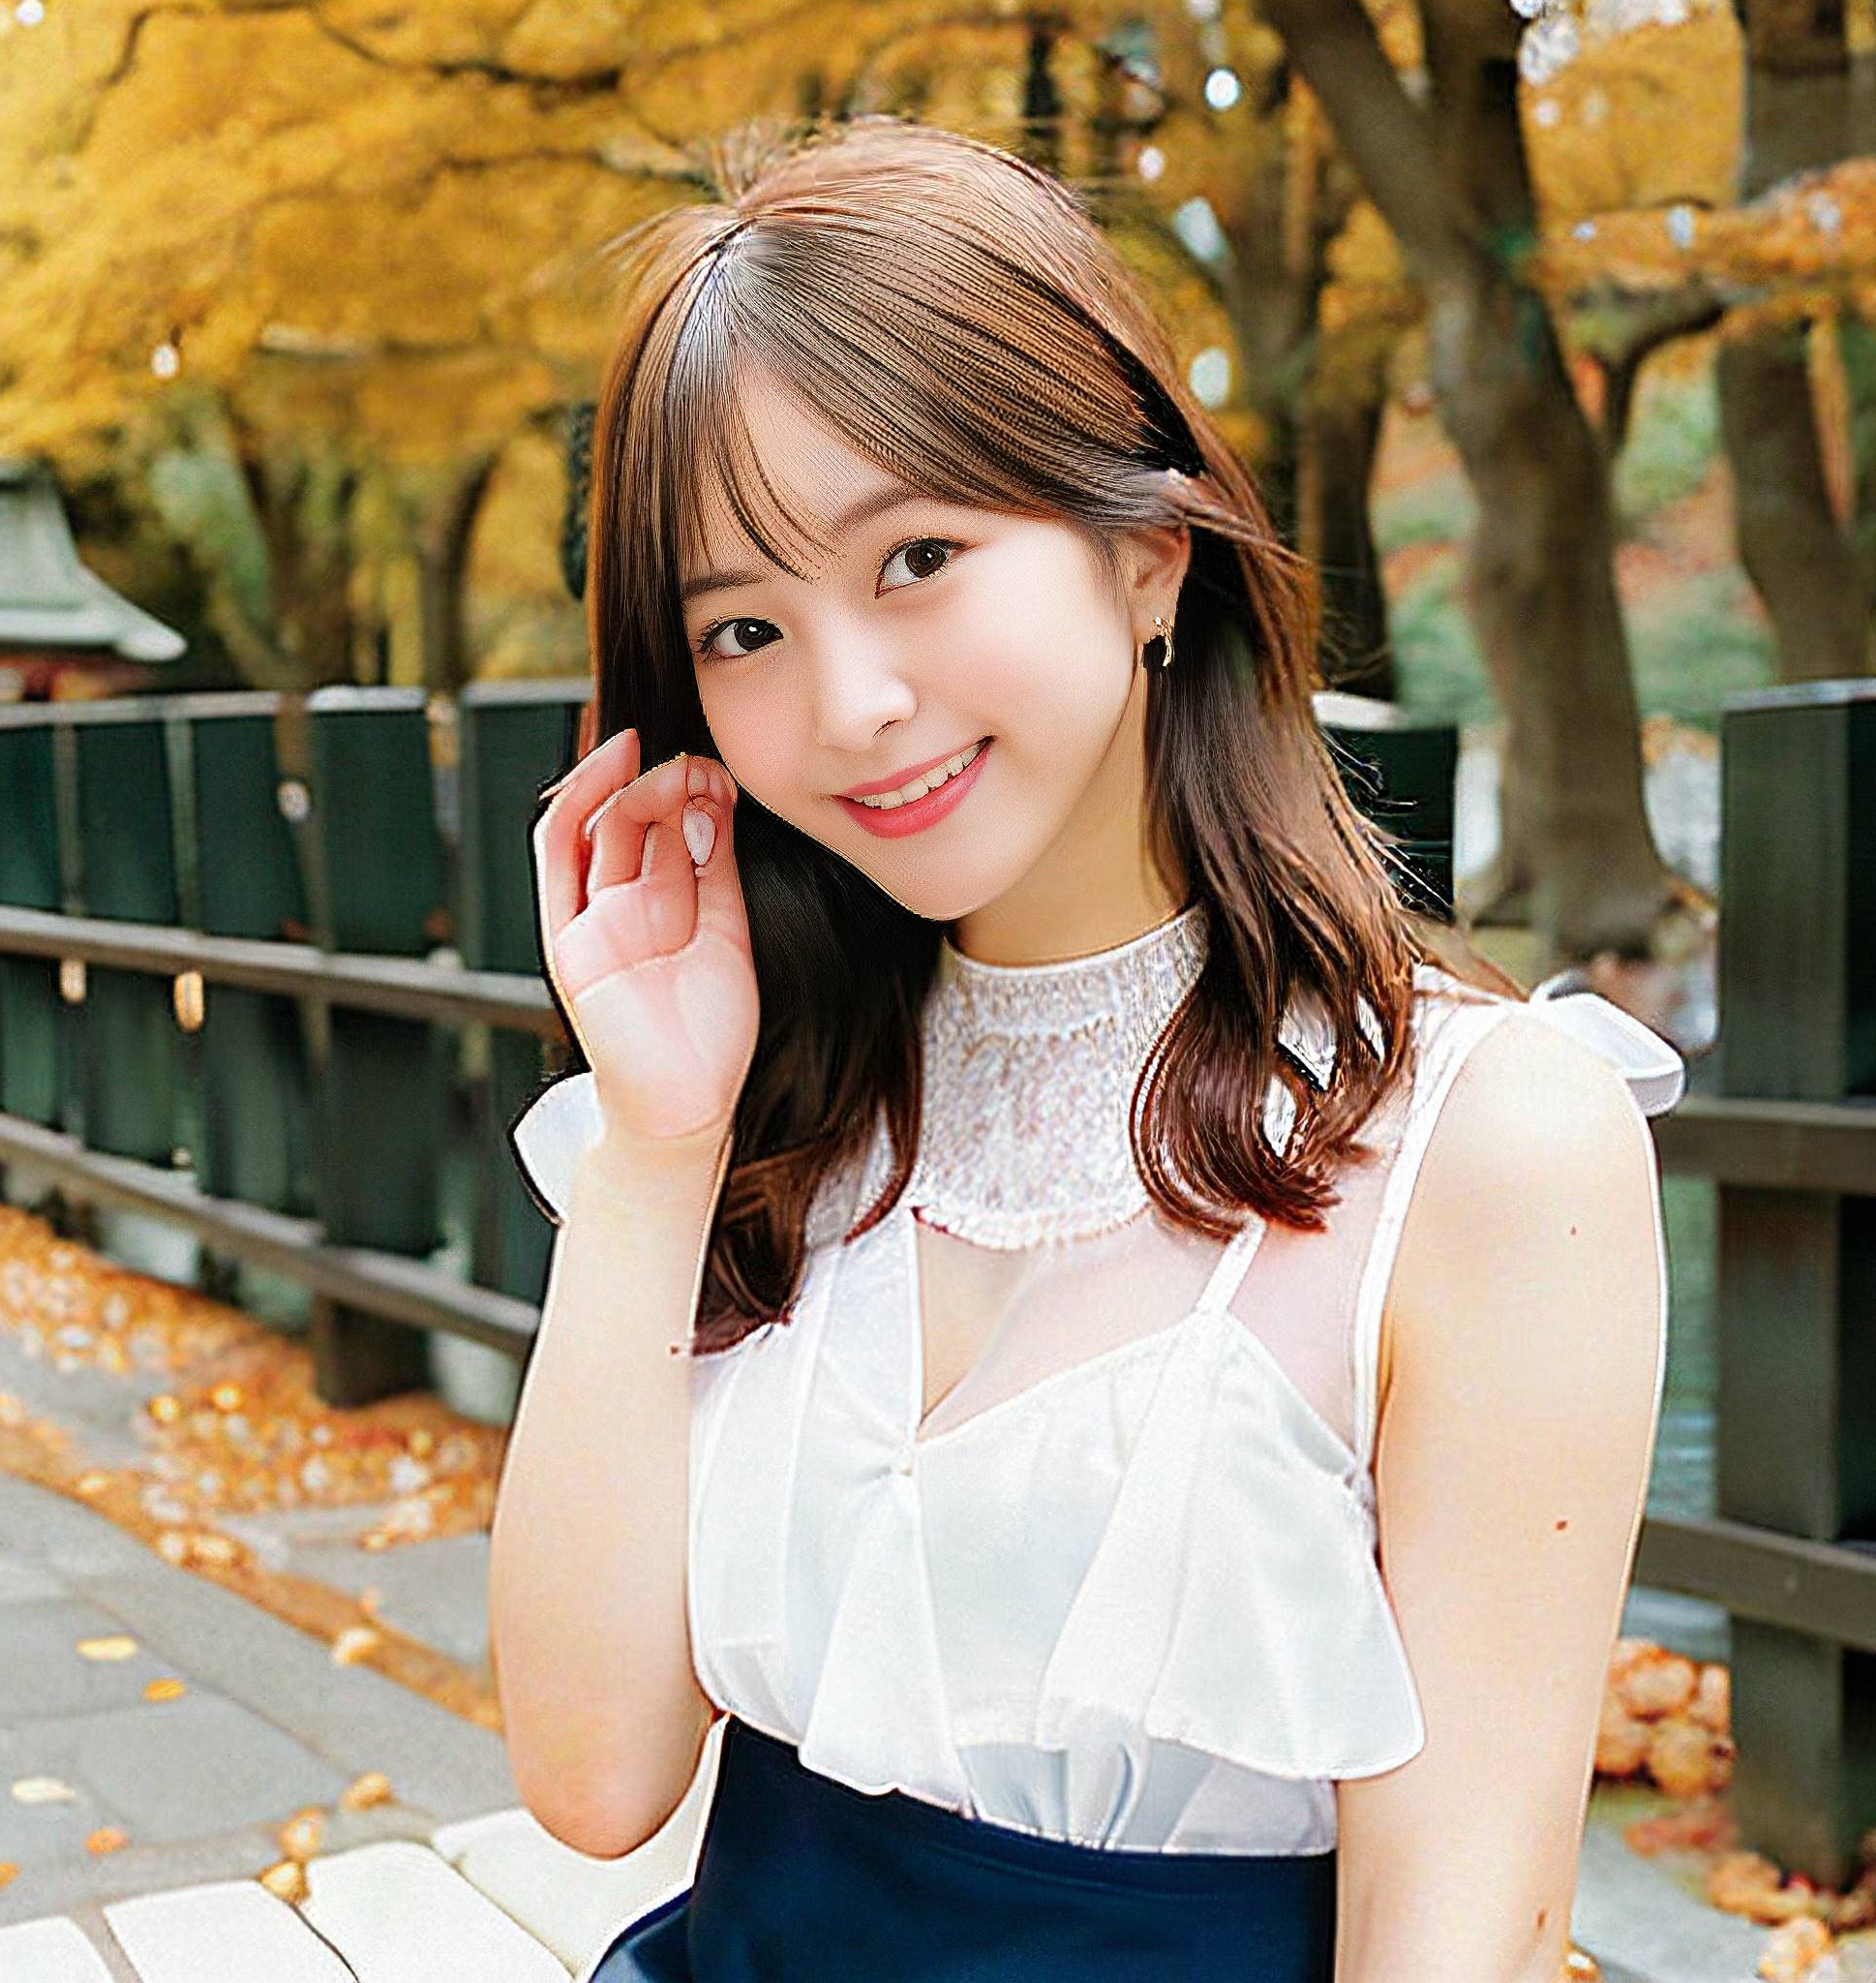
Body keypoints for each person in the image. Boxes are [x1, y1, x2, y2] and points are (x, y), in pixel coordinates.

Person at [487, 113, 1686, 1983]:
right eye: (744, 624)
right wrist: (655, 1136)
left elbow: (1457, 1932)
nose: (850, 707)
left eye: (920, 557)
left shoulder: (1481, 1145)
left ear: (1146, 552)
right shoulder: (764, 1108)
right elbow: (588, 1773)